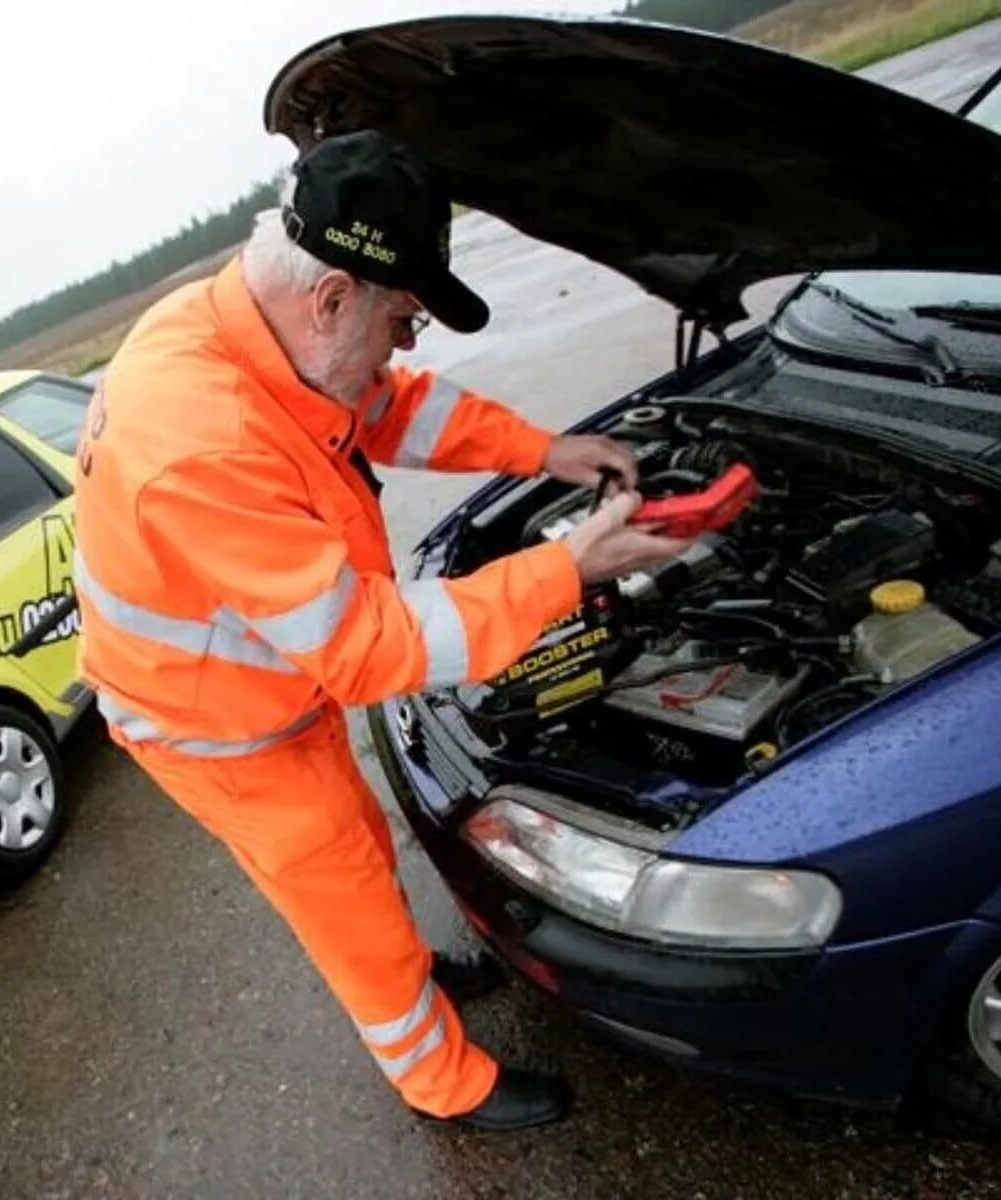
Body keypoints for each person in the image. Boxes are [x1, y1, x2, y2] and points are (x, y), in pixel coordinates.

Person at [69, 130, 691, 1130]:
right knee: (341, 890)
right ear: (330, 299)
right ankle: (438, 1081)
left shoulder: (247, 332)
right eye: (402, 319)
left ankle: (413, 972)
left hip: (273, 687)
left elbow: (390, 406)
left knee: (361, 838)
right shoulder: (198, 440)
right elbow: (368, 649)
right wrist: (566, 566)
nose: (407, 345)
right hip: (219, 730)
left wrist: (544, 451)